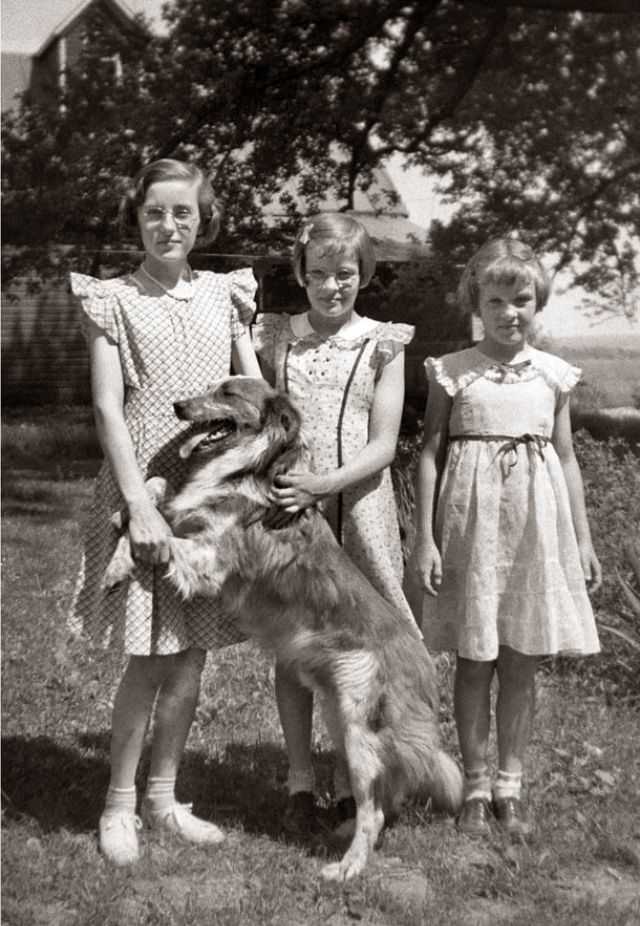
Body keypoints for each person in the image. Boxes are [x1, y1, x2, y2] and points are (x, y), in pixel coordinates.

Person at [69, 158, 262, 866]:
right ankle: (118, 803)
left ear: (202, 218)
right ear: (136, 218)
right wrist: (137, 509)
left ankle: (163, 794)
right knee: (149, 657)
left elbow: (253, 391)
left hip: (208, 500)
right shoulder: (112, 298)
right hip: (145, 492)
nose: (169, 225)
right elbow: (106, 406)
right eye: (155, 212)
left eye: (183, 212)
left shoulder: (225, 294)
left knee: (192, 656)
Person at [408, 237, 601, 839]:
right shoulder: (454, 370)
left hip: (534, 530)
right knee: (474, 660)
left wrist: (584, 539)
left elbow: (566, 458)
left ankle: (509, 789)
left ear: (537, 303)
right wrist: (425, 538)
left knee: (521, 661)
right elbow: (430, 453)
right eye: (496, 300)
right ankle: (473, 785)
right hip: (471, 528)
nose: (509, 312)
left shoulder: (552, 376)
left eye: (522, 300)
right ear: (477, 303)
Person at [252, 213, 422, 834]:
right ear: (300, 272)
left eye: (345, 274)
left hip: (360, 509)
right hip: (290, 510)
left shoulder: (383, 342)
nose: (331, 286)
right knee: (296, 646)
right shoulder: (275, 335)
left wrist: (325, 484)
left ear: (364, 276)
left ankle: (369, 784)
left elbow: (384, 443)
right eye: (319, 273)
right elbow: (257, 413)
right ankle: (301, 782)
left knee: (368, 650)